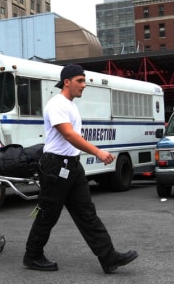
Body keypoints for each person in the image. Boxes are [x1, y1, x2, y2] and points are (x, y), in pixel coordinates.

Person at [23, 64, 138, 273]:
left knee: (87, 214)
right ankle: (32, 256)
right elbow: (68, 135)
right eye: (80, 81)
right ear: (67, 82)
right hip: (55, 167)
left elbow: (72, 138)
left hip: (72, 166)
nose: (84, 85)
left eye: (84, 81)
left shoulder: (71, 105)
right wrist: (98, 152)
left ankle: (108, 257)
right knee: (47, 213)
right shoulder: (56, 104)